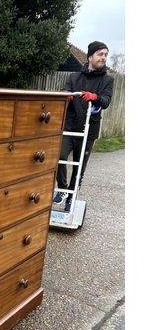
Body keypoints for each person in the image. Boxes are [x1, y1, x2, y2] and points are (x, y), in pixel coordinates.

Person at [53, 41, 114, 212]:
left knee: (79, 166)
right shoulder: (74, 77)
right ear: (90, 57)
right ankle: (63, 190)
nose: (103, 58)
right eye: (100, 54)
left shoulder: (107, 80)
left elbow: (106, 100)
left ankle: (72, 198)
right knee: (60, 156)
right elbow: (65, 90)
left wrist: (95, 97)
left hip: (88, 130)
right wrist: (66, 95)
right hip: (70, 126)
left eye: (105, 55)